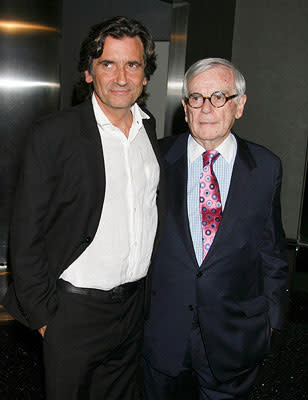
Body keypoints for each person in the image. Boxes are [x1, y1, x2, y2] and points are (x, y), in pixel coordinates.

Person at [4, 16, 165, 400]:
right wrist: (46, 319)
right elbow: (26, 233)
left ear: (145, 75)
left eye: (133, 64)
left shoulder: (149, 129)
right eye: (108, 63)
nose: (121, 77)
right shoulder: (54, 133)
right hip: (73, 312)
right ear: (89, 72)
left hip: (132, 310)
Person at [142, 58, 288, 400]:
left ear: (239, 105)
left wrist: (272, 322)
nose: (206, 108)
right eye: (197, 98)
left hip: (234, 337)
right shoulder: (155, 159)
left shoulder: (266, 167)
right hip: (163, 336)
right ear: (185, 106)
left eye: (219, 96)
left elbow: (272, 250)